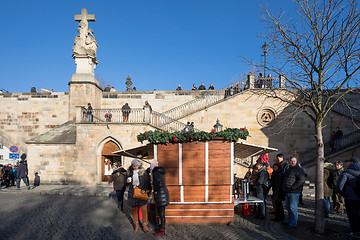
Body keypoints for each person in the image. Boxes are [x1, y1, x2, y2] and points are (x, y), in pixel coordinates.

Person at [336, 157, 360, 237]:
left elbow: (340, 186)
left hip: (351, 198)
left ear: (351, 163)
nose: (346, 163)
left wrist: (342, 193)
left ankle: (355, 231)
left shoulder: (346, 173)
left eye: (348, 162)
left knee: (352, 215)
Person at [127, 159, 151, 234]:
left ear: (139, 166)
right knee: (134, 210)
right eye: (133, 166)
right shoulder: (129, 172)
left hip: (141, 193)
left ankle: (145, 226)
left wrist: (144, 189)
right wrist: (127, 181)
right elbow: (125, 183)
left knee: (144, 210)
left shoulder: (144, 173)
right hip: (132, 193)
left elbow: (147, 183)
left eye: (136, 166)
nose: (135, 167)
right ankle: (136, 226)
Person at [282, 157, 305, 228]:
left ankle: (293, 223)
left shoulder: (299, 170)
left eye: (294, 161)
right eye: (291, 161)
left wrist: (293, 187)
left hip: (294, 192)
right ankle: (289, 221)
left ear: (296, 162)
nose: (292, 162)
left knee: (293, 208)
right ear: (289, 161)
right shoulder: (288, 169)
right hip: (287, 191)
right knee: (288, 207)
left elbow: (301, 180)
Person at [151, 160, 170, 237]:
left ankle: (162, 231)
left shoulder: (155, 172)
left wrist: (156, 190)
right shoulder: (161, 172)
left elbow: (157, 182)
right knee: (161, 213)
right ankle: (161, 227)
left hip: (160, 194)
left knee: (161, 214)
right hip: (164, 193)